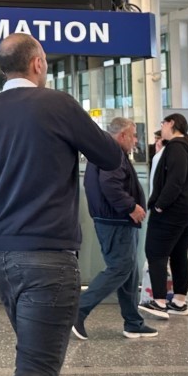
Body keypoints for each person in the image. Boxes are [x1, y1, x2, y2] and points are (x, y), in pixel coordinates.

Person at [0, 32, 125, 376]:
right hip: (49, 260)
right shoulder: (59, 105)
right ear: (37, 64)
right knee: (37, 369)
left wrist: (3, 231)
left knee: (33, 357)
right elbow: (111, 156)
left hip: (1, 258)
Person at [74, 117, 156, 341]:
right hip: (116, 221)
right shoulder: (112, 153)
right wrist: (130, 206)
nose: (136, 140)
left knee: (129, 272)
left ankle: (133, 322)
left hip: (117, 221)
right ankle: (78, 310)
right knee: (120, 268)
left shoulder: (106, 151)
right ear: (122, 136)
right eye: (133, 135)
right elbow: (110, 185)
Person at [139, 114, 188, 319]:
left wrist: (160, 205)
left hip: (174, 208)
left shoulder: (176, 147)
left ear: (171, 124)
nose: (161, 128)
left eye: (163, 124)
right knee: (178, 253)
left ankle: (159, 301)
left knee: (156, 252)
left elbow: (175, 180)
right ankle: (179, 301)